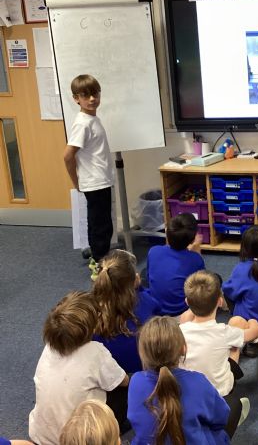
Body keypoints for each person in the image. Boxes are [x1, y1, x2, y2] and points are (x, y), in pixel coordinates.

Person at [29, 292, 128, 445]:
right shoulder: (95, 351)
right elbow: (123, 381)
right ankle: (115, 431)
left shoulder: (49, 348)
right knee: (124, 386)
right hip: (77, 438)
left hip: (40, 436)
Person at [180, 270, 258, 437]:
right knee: (238, 324)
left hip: (189, 392)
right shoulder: (224, 332)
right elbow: (254, 332)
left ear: (187, 302)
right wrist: (253, 321)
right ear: (220, 301)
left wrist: (192, 308)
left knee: (235, 327)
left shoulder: (180, 330)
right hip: (221, 391)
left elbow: (186, 317)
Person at [128, 316, 230, 445]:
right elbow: (221, 418)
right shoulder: (198, 382)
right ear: (183, 348)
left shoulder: (135, 381)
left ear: (143, 353)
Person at [63, 75, 114, 280]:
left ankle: (97, 256)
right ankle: (100, 268)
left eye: (95, 93)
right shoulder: (83, 124)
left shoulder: (92, 119)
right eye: (85, 95)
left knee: (98, 222)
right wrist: (76, 182)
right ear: (76, 99)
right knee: (102, 226)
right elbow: (68, 156)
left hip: (99, 180)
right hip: (95, 182)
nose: (92, 98)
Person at [92, 249, 161, 373]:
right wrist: (140, 289)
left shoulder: (91, 310)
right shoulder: (146, 302)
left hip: (108, 374)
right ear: (134, 281)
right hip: (142, 371)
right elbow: (157, 309)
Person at [147, 212, 204, 316]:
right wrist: (197, 249)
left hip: (155, 310)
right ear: (192, 240)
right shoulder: (195, 259)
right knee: (213, 279)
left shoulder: (153, 251)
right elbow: (200, 283)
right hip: (181, 312)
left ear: (167, 232)